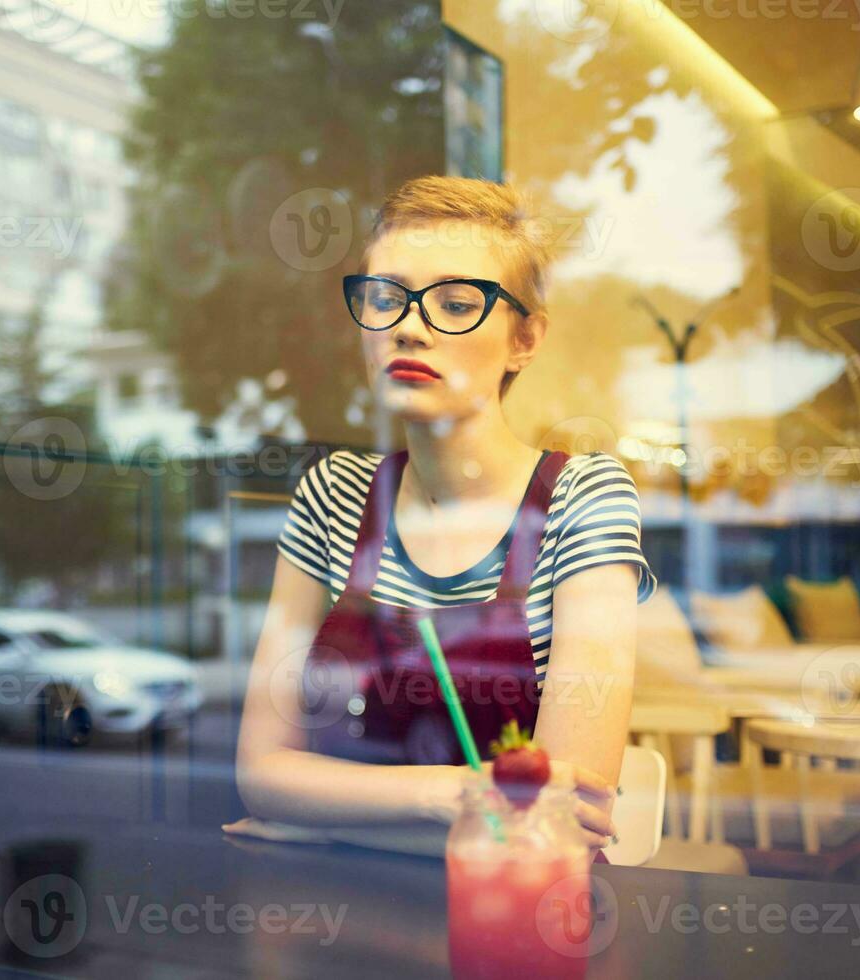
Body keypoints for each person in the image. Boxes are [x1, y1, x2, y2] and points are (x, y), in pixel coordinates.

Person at [234, 175, 655, 860]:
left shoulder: (582, 497)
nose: (407, 326)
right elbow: (261, 772)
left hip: (520, 931)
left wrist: (322, 816)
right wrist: (459, 796)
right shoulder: (334, 495)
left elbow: (556, 829)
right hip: (337, 921)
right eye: (385, 298)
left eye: (456, 303)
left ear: (525, 339)